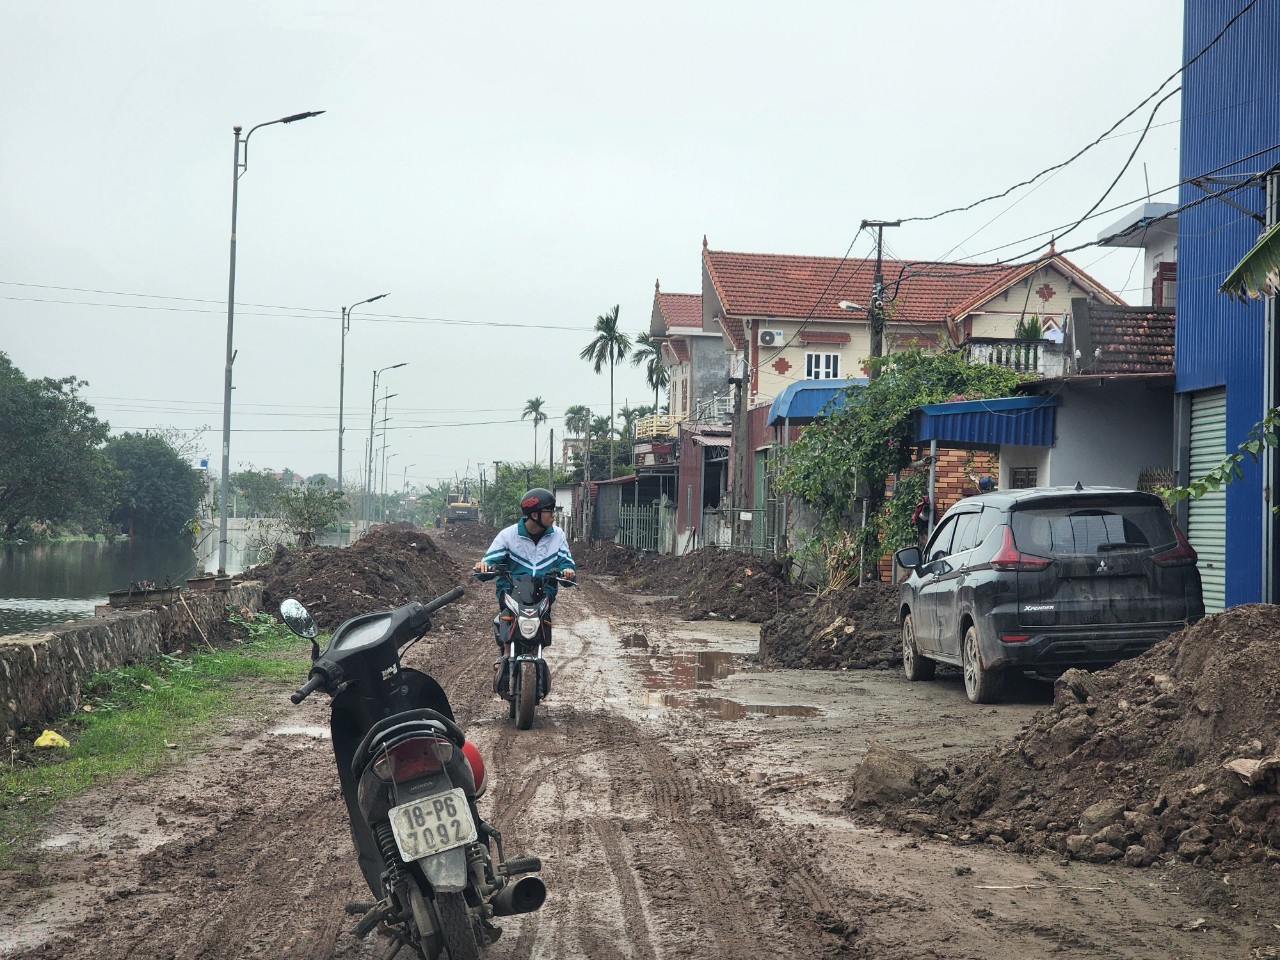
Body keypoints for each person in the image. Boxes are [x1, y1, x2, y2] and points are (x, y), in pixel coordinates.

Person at [473, 488, 576, 650]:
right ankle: (506, 654)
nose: (553, 515)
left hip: (543, 591)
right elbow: (490, 560)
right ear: (535, 515)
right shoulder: (508, 535)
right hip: (511, 589)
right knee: (508, 619)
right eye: (549, 511)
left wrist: (568, 571)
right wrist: (484, 566)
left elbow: (566, 561)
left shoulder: (558, 535)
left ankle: (536, 655)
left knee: (539, 632)